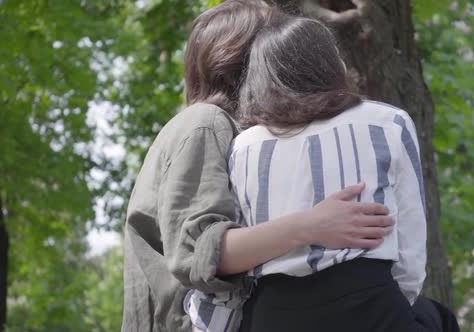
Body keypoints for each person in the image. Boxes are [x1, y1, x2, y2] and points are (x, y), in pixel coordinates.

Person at [121, 1, 395, 331]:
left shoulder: (247, 139)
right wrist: (311, 225)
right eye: (273, 46)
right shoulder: (205, 123)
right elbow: (199, 253)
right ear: (242, 63)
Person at [188, 13, 459, 332]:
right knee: (437, 317)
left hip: (273, 313)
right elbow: (410, 254)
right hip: (368, 304)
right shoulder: (387, 122)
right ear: (331, 64)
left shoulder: (242, 145)